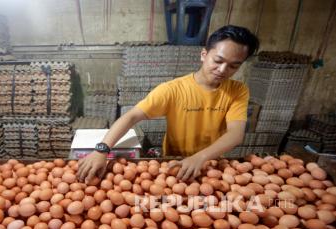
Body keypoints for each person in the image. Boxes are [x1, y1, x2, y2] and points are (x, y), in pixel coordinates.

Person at [77, 25, 259, 183]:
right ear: (204, 54)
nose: (222, 70)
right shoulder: (173, 89)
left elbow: (235, 134)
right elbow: (131, 116)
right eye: (218, 61)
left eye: (233, 66)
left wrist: (200, 158)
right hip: (174, 163)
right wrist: (101, 150)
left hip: (210, 162)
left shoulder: (238, 90)